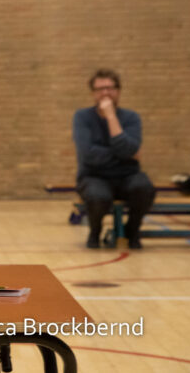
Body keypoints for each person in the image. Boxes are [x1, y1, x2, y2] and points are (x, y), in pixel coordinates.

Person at [73, 69, 155, 249]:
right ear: (93, 93)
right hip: (94, 176)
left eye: (110, 88)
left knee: (144, 187)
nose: (105, 93)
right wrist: (124, 154)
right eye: (100, 89)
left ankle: (132, 230)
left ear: (118, 91)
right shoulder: (82, 117)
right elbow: (88, 155)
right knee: (98, 196)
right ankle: (95, 231)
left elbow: (129, 149)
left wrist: (111, 117)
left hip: (128, 175)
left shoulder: (131, 118)